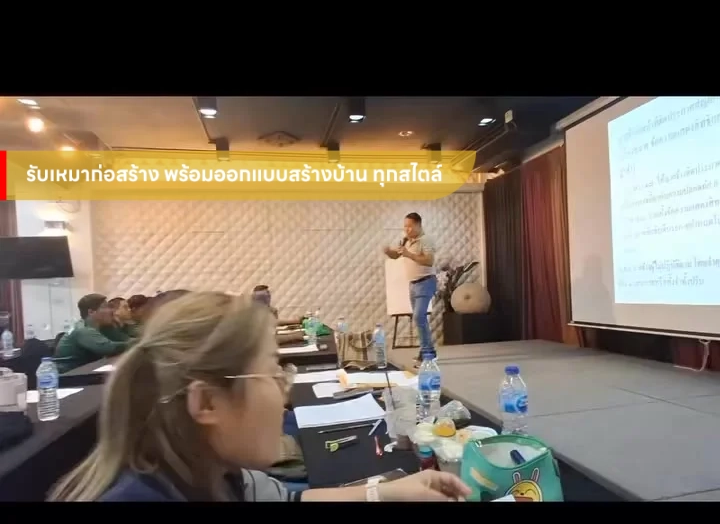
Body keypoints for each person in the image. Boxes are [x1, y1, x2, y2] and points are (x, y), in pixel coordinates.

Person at [48, 292, 470, 503]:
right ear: (206, 403)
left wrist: (386, 493)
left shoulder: (212, 472)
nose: (285, 393)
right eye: (272, 372)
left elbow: (289, 499)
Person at [384, 212, 438, 367]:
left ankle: (428, 354)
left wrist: (409, 254)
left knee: (419, 316)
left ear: (418, 225)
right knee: (419, 319)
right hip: (413, 284)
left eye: (410, 226)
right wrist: (389, 252)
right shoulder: (406, 240)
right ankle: (427, 351)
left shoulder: (426, 239)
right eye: (405, 226)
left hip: (426, 282)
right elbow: (397, 255)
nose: (406, 229)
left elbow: (429, 260)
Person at [53, 293, 138, 371]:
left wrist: (138, 341)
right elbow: (109, 348)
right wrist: (139, 343)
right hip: (68, 375)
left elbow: (125, 339)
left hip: (87, 371)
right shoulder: (83, 330)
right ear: (91, 312)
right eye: (105, 307)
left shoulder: (103, 327)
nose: (111, 311)